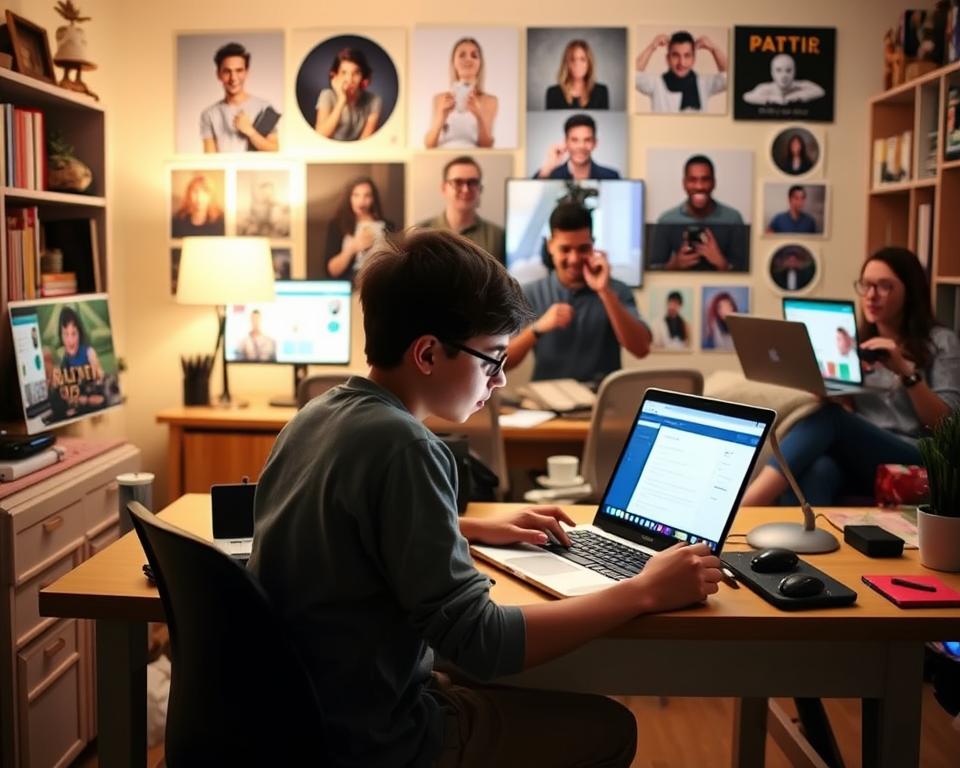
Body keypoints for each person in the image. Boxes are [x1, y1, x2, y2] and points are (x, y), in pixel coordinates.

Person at [248, 228, 722, 768]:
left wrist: (462, 527)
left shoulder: (319, 414)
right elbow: (482, 642)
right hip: (381, 738)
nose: (498, 381)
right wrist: (642, 591)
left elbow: (348, 532)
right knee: (610, 726)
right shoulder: (409, 447)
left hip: (308, 716)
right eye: (493, 358)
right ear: (427, 353)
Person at [743, 247, 960, 506]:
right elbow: (853, 414)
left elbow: (946, 424)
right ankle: (805, 544)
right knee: (815, 470)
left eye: (884, 287)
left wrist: (906, 372)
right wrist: (832, 394)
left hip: (915, 454)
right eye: (866, 285)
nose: (871, 296)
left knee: (830, 419)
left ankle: (747, 505)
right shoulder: (857, 343)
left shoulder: (940, 341)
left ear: (909, 291)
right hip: (862, 453)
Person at [506, 202, 651, 382]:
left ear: (593, 245)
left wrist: (605, 292)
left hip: (602, 403)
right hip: (547, 404)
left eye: (583, 248)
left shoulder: (617, 290)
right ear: (550, 245)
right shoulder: (530, 292)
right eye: (565, 249)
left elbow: (642, 349)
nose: (574, 259)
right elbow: (502, 363)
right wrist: (536, 329)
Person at [648, 155, 748, 271]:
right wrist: (674, 265)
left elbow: (745, 271)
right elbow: (653, 269)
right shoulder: (666, 220)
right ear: (684, 183)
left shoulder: (733, 219)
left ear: (714, 183)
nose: (699, 186)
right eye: (692, 180)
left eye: (705, 179)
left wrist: (721, 263)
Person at [416, 155, 504, 261]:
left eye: (472, 182)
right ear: (444, 188)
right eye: (457, 182)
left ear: (480, 189)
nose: (465, 189)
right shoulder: (421, 233)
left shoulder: (497, 237)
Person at [200, 42, 279, 153]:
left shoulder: (265, 108)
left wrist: (250, 131)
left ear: (247, 73)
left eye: (239, 70)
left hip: (258, 170)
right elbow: (210, 161)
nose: (233, 78)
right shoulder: (209, 114)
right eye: (227, 71)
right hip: (225, 170)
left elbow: (274, 150)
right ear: (218, 74)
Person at [425, 37, 498, 149]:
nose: (468, 59)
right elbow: (429, 145)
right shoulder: (440, 99)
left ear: (480, 64)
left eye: (474, 55)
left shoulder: (490, 101)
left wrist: (478, 115)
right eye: (462, 55)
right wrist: (441, 117)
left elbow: (486, 146)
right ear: (453, 62)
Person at [634, 31, 727, 113]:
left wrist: (714, 49)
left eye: (687, 56)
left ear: (693, 59)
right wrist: (652, 46)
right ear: (668, 59)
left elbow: (732, 78)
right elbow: (631, 76)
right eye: (675, 55)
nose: (681, 63)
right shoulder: (656, 83)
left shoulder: (704, 83)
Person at [324, 176, 392, 282]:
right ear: (349, 198)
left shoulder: (387, 226)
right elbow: (332, 271)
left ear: (373, 198)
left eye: (367, 195)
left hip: (379, 283)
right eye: (356, 195)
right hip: (349, 285)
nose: (361, 201)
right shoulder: (337, 225)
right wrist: (353, 248)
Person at [315, 47, 381, 141]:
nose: (349, 80)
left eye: (356, 73)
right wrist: (341, 100)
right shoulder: (327, 95)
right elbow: (320, 135)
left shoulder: (374, 100)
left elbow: (366, 142)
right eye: (343, 73)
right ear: (335, 76)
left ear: (363, 76)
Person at [534, 114, 620, 180]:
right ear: (566, 142)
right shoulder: (549, 175)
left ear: (595, 143)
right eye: (575, 140)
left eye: (587, 140)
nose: (581, 146)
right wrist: (547, 168)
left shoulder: (611, 176)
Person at [53, 305, 105, 413]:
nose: (70, 340)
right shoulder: (62, 358)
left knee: (100, 399)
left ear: (80, 334)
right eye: (66, 334)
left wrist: (97, 373)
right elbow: (60, 389)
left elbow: (100, 376)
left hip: (91, 394)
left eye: (74, 333)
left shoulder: (89, 352)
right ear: (61, 336)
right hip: (77, 400)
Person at [545, 39, 609, 110]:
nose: (577, 64)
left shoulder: (601, 92)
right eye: (572, 59)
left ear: (589, 63)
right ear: (566, 64)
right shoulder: (553, 93)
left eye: (582, 59)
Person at [742, 53, 826, 106]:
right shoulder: (766, 88)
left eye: (788, 70)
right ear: (772, 72)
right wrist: (771, 99)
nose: (784, 75)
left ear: (794, 72)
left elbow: (820, 91)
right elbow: (747, 96)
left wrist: (795, 96)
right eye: (778, 70)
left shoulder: (800, 86)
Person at [171, 174, 225, 238]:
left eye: (205, 192)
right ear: (188, 194)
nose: (199, 198)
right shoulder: (177, 221)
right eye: (195, 192)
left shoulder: (221, 222)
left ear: (211, 196)